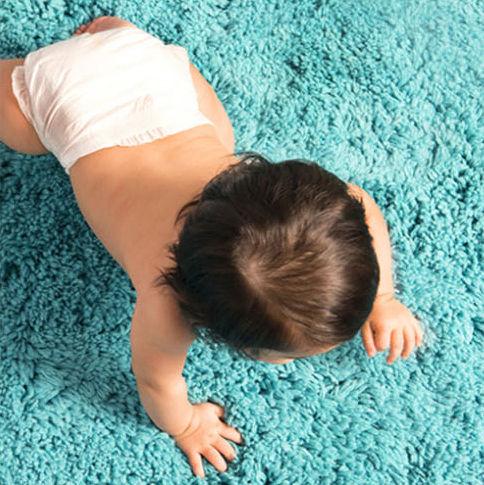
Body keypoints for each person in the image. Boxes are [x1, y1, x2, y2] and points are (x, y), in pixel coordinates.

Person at [0, 16, 423, 479]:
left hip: (152, 72)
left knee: (215, 129)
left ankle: (115, 34)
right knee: (20, 126)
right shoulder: (165, 306)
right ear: (210, 324)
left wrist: (380, 297)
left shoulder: (321, 202)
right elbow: (156, 380)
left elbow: (361, 202)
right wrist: (186, 425)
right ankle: (65, 55)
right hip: (65, 96)